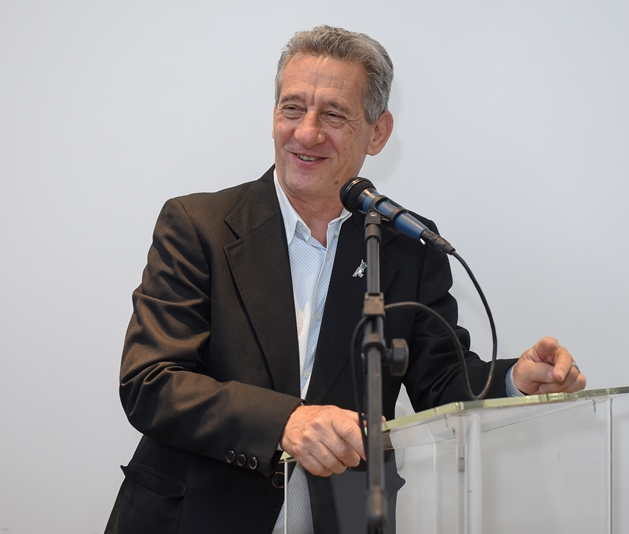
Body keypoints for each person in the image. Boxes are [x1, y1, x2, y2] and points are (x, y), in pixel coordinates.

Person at [105, 25, 586, 534]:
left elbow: (441, 382)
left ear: (378, 132)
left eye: (333, 115)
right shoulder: (198, 226)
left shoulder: (407, 245)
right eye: (292, 109)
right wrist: (286, 421)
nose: (307, 133)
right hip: (194, 517)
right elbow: (151, 382)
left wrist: (515, 382)